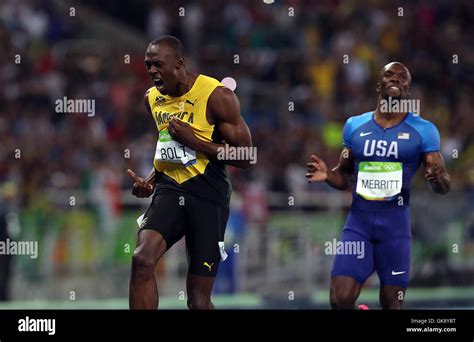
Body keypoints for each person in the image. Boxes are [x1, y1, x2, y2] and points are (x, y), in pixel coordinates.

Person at [306, 62, 450, 309]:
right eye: (389, 74)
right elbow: (345, 176)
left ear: (408, 88)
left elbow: (442, 183)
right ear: (378, 85)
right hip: (358, 226)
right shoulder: (355, 126)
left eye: (402, 76)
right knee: (339, 300)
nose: (395, 79)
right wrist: (327, 175)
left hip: (395, 230)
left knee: (392, 304)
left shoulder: (424, 131)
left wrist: (439, 180)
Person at [127, 36, 253, 310]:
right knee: (142, 259)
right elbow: (168, 148)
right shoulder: (152, 98)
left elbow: (246, 156)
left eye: (158, 64)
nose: (152, 71)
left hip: (208, 196)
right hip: (170, 191)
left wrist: (195, 140)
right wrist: (149, 181)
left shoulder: (217, 95)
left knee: (197, 300)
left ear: (179, 63)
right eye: (148, 65)